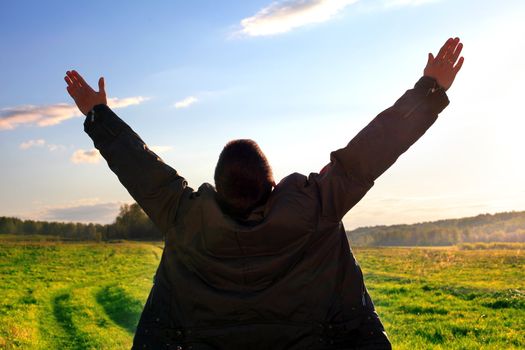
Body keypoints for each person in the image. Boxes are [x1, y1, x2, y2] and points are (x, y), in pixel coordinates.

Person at [65, 37, 464, 350]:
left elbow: (142, 171)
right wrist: (429, 91)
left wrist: (98, 116)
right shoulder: (315, 206)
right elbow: (371, 151)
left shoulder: (185, 218)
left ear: (217, 186)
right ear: (271, 183)